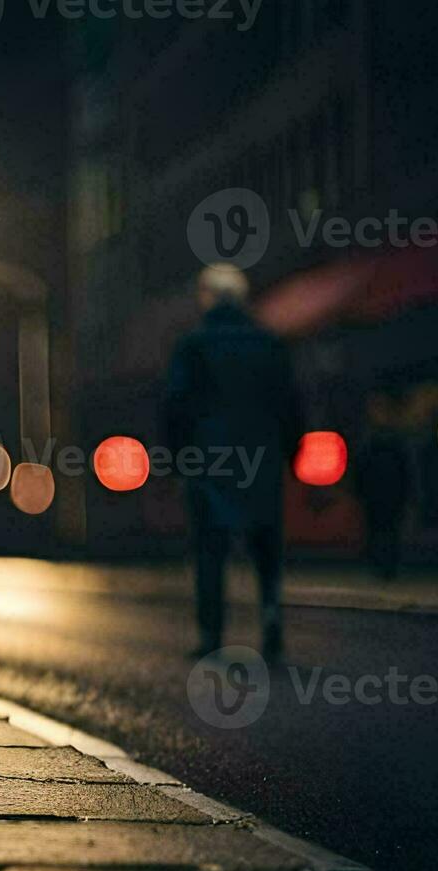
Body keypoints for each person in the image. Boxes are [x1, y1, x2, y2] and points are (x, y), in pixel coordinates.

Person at [164, 264, 305, 662]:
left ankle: (212, 634)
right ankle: (271, 619)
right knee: (267, 548)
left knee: (210, 550)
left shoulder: (193, 346)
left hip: (209, 462)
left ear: (206, 297)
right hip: (262, 458)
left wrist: (177, 459)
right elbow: (290, 403)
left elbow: (175, 407)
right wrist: (291, 453)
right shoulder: (268, 343)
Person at [354, 391, 411, 580]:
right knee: (378, 531)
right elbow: (361, 468)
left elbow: (406, 469)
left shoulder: (394, 441)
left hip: (391, 494)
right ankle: (380, 566)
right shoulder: (372, 441)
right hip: (376, 494)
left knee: (389, 531)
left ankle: (388, 567)